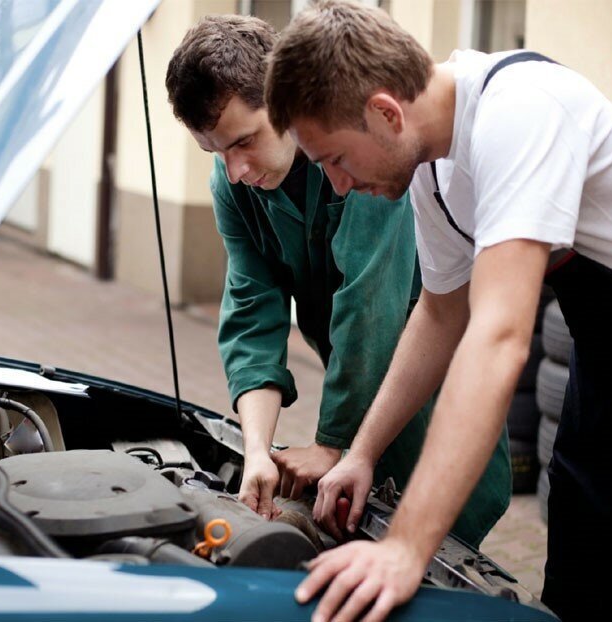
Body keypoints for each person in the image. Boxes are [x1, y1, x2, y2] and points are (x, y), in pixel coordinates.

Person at [265, 2, 612, 621]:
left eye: (335, 159)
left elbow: (498, 337)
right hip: (605, 365)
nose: (338, 186)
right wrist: (362, 452)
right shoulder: (433, 166)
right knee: (576, 577)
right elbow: (440, 315)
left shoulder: (521, 110)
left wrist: (407, 547)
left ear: (385, 112)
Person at [164, 15, 510, 548]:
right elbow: (252, 311)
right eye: (216, 153)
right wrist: (257, 449)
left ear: (280, 103)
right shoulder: (235, 184)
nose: (235, 170)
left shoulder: (358, 156)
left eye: (244, 141)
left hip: (429, 382)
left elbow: (369, 304)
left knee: (442, 545)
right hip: (355, 390)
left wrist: (329, 444)